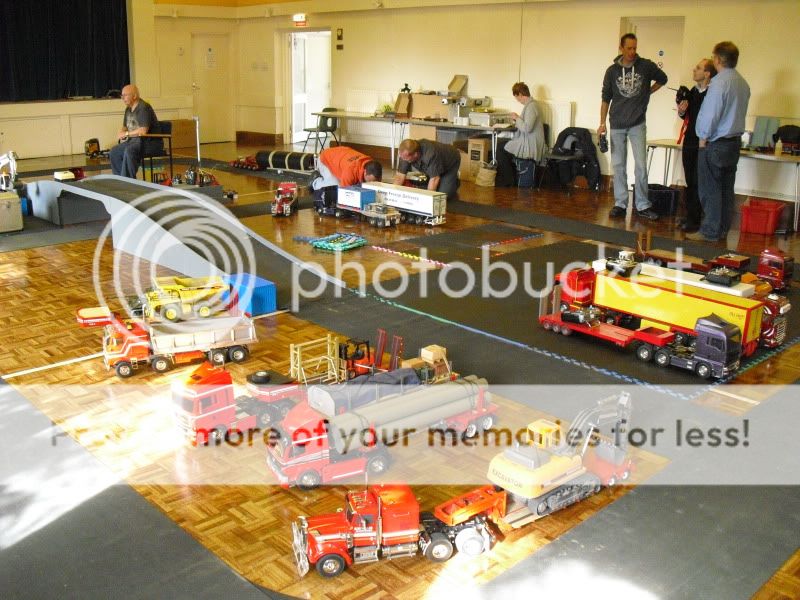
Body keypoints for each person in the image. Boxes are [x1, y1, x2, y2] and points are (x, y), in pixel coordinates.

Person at [600, 33, 668, 221]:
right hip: (617, 124)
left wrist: (648, 92)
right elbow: (606, 97)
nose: (632, 52)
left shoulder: (645, 66)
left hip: (638, 123)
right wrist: (601, 123)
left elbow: (663, 78)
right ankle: (620, 203)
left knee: (640, 165)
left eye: (635, 48)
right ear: (621, 48)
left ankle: (643, 204)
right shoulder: (612, 71)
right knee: (619, 165)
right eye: (629, 48)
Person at [687, 42, 750, 242]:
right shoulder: (742, 83)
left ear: (718, 59)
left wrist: (703, 139)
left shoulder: (719, 83)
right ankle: (722, 229)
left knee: (710, 188)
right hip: (734, 142)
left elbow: (711, 115)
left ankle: (710, 231)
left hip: (716, 143)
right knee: (726, 189)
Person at [676, 58, 717, 232]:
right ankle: (690, 216)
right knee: (689, 180)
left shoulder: (712, 93)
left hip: (703, 143)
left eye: (698, 68)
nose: (694, 70)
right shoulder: (693, 91)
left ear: (707, 73)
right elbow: (687, 117)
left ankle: (696, 219)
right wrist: (682, 110)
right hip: (690, 140)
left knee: (699, 181)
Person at [498, 82, 545, 188]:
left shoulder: (531, 106)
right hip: (527, 140)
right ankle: (510, 180)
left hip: (529, 144)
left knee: (500, 149)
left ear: (520, 94)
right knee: (502, 147)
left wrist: (516, 118)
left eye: (517, 98)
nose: (517, 101)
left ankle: (509, 181)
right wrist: (519, 118)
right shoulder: (531, 105)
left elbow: (527, 128)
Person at [109, 84, 159, 178]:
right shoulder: (128, 109)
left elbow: (143, 131)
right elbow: (125, 126)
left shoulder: (143, 108)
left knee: (129, 150)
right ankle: (120, 180)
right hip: (134, 141)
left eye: (125, 95)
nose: (122, 98)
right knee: (114, 151)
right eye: (122, 96)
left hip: (149, 142)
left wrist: (127, 133)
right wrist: (121, 132)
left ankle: (128, 182)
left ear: (135, 96)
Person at [393, 138, 461, 200]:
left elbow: (434, 179)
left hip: (450, 162)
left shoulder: (430, 154)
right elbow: (400, 176)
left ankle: (454, 182)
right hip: (433, 166)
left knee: (442, 195)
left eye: (405, 158)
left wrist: (427, 200)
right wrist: (393, 194)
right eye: (402, 157)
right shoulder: (405, 154)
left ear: (415, 154)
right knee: (425, 189)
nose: (403, 159)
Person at [310, 145, 382, 191]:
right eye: (370, 181)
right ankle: (315, 181)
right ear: (365, 172)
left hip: (340, 156)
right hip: (325, 159)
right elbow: (343, 193)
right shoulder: (350, 171)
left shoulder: (372, 166)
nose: (372, 183)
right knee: (335, 187)